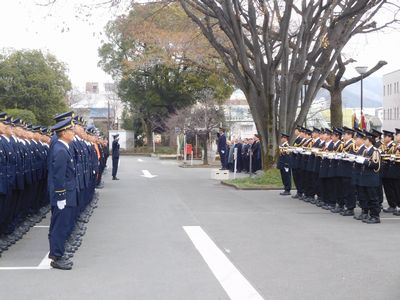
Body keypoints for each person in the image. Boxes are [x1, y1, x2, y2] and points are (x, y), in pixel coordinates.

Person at [48, 118, 76, 270]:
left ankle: (58, 253)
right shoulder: (60, 149)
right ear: (64, 133)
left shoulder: (63, 147)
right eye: (71, 131)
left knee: (61, 225)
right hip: (63, 195)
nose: (73, 133)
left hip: (67, 193)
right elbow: (59, 176)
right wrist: (60, 197)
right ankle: (56, 257)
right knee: (59, 226)